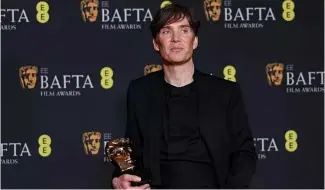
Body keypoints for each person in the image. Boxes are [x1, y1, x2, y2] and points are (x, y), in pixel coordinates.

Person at [111, 3, 257, 189]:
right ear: (156, 44)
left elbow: (245, 153)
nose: (176, 39)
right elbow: (131, 151)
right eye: (166, 31)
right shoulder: (140, 91)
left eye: (184, 30)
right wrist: (118, 180)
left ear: (194, 41)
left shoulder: (226, 92)